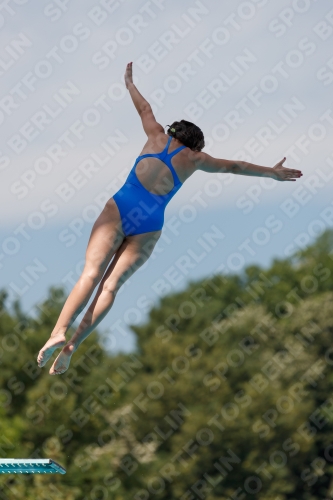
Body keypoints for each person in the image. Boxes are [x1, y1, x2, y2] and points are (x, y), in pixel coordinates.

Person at [37, 62, 303, 375]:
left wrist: (129, 84)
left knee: (91, 274)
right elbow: (236, 166)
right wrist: (272, 173)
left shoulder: (154, 136)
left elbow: (145, 108)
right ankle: (72, 347)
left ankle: (58, 331)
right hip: (149, 226)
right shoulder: (196, 159)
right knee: (109, 288)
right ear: (195, 144)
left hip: (120, 209)